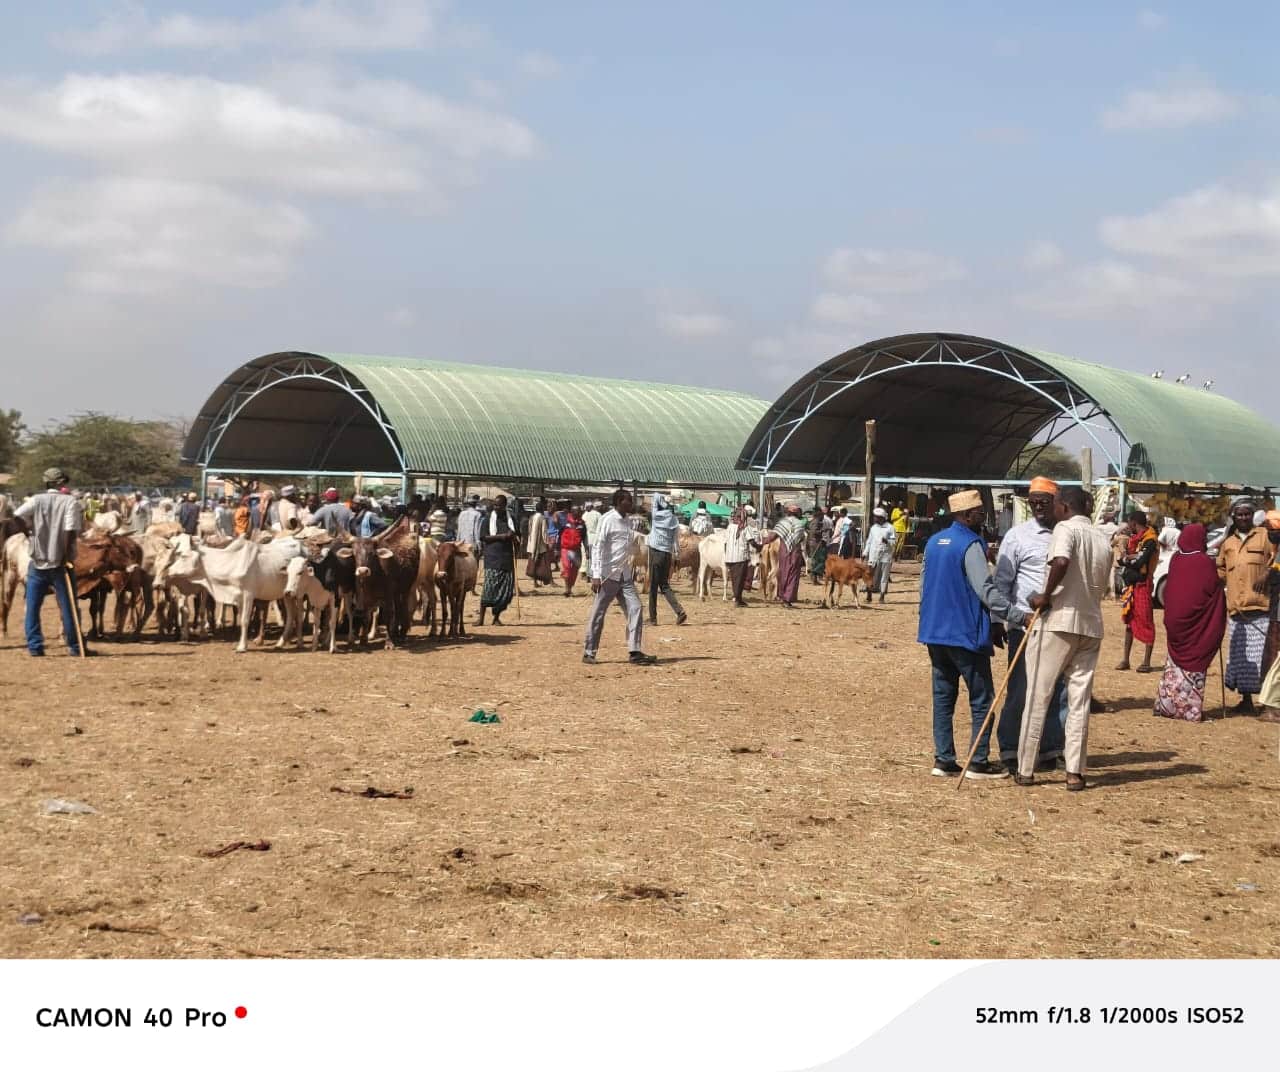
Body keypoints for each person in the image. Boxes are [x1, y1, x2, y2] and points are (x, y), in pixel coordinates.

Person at [1015, 486, 1114, 790]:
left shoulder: (1064, 529)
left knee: (1038, 696)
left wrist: (1044, 595)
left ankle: (1026, 768)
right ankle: (1075, 772)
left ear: (1064, 506)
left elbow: (1060, 561)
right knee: (1079, 702)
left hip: (1058, 621)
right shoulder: (1102, 538)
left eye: (1055, 503)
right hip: (1090, 624)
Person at [916, 490, 1007, 780]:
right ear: (967, 515)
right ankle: (978, 761)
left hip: (934, 633)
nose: (983, 517)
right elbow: (986, 590)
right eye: (980, 512)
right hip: (965, 634)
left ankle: (944, 759)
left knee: (943, 698)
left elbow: (923, 587)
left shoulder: (933, 543)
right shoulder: (970, 544)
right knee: (982, 699)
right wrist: (1015, 615)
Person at [989, 477, 1069, 772]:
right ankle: (1010, 748)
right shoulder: (1017, 536)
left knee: (1058, 690)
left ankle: (1051, 749)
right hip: (1024, 625)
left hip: (1060, 625)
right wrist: (998, 620)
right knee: (1021, 689)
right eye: (1033, 502)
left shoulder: (1067, 532)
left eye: (1043, 502)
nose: (1037, 507)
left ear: (1057, 503)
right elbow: (1002, 582)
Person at [1155, 523, 1228, 722]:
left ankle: (1167, 706)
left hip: (1175, 623)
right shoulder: (1204, 562)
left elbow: (1172, 591)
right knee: (1194, 664)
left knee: (1173, 667)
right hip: (1197, 627)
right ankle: (1189, 710)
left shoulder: (1175, 559)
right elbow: (1212, 591)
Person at [14, 467, 90, 657]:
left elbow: (16, 515)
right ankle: (74, 646)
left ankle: (35, 647)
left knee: (32, 606)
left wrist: (28, 531)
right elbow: (69, 531)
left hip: (38, 562)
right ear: (61, 483)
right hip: (60, 564)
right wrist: (64, 556)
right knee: (68, 606)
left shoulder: (36, 500)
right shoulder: (70, 502)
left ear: (46, 482)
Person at [584, 489, 656, 665]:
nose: (631, 503)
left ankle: (635, 651)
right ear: (618, 502)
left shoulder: (627, 521)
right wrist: (595, 574)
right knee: (598, 613)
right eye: (628, 501)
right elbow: (598, 547)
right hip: (607, 575)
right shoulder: (607, 520)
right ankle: (589, 652)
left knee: (636, 608)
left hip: (624, 575)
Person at [1217, 499, 1274, 715]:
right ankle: (1246, 701)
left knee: (1262, 657)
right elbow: (1220, 570)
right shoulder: (1228, 543)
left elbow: (1277, 558)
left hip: (1259, 607)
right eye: (1239, 515)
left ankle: (1269, 703)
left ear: (1252, 516)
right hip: (1236, 608)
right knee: (1241, 659)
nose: (1243, 518)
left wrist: (1268, 573)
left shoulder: (1264, 536)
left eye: (1247, 515)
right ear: (1234, 517)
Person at [1117, 510, 1158, 672]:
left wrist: (1128, 558)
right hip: (1132, 585)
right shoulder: (1136, 540)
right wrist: (1129, 558)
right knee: (1129, 621)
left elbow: (1139, 561)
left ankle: (1146, 662)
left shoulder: (1150, 540)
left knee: (1146, 620)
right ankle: (1125, 660)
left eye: (1129, 523)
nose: (1128, 527)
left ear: (1134, 523)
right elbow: (1125, 559)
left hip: (1143, 585)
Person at [646, 492, 688, 624]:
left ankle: (652, 618)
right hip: (667, 555)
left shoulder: (656, 516)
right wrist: (676, 556)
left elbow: (656, 496)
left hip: (655, 552)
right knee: (664, 585)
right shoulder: (674, 519)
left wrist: (661, 498)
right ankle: (679, 611)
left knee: (653, 586)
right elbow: (675, 541)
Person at [476, 495, 518, 626]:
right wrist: (503, 536)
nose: (497, 507)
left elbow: (518, 536)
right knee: (489, 589)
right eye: (495, 505)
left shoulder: (511, 520)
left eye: (499, 505)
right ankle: (481, 618)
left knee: (505, 592)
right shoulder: (487, 519)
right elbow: (483, 537)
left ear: (505, 506)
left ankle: (496, 618)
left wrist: (514, 537)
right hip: (492, 558)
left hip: (507, 559)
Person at [770, 504, 807, 607]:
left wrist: (762, 543)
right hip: (795, 552)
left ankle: (782, 596)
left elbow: (773, 536)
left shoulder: (782, 522)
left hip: (784, 551)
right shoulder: (800, 524)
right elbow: (802, 538)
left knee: (783, 573)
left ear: (787, 513)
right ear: (796, 514)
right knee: (793, 575)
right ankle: (788, 599)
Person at [723, 505, 758, 607]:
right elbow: (751, 541)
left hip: (730, 557)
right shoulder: (745, 528)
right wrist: (759, 547)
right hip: (740, 557)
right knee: (740, 579)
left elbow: (725, 542)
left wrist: (726, 555)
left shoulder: (729, 527)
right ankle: (737, 599)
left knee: (735, 579)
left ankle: (737, 597)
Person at [864, 507, 897, 603]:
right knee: (870, 575)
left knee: (884, 576)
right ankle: (869, 595)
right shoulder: (873, 528)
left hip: (886, 555)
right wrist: (865, 552)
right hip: (873, 555)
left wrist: (887, 541)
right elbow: (869, 542)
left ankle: (882, 595)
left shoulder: (890, 528)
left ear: (882, 518)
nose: (875, 519)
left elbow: (894, 542)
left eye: (876, 517)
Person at [559, 505, 588, 597]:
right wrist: (556, 549)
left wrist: (587, 549)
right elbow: (559, 535)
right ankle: (567, 588)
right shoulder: (565, 522)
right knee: (566, 568)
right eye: (577, 511)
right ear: (572, 512)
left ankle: (570, 588)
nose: (579, 513)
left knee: (574, 571)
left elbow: (584, 538)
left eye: (580, 511)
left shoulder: (582, 524)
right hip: (565, 549)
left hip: (576, 550)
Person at [526, 497, 552, 586]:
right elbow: (544, 532)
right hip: (540, 546)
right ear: (542, 509)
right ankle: (544, 580)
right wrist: (547, 543)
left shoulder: (531, 517)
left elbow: (529, 531)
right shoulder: (542, 518)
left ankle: (535, 582)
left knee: (533, 563)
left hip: (531, 544)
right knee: (541, 565)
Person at [806, 507, 828, 584]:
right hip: (816, 543)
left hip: (812, 542)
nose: (823, 517)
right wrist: (823, 530)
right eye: (822, 515)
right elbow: (814, 532)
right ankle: (813, 573)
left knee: (815, 560)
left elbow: (809, 531)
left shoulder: (812, 521)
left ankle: (814, 578)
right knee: (820, 560)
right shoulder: (817, 522)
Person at [582, 499, 603, 572]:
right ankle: (592, 573)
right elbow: (601, 527)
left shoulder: (586, 514)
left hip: (587, 538)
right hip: (595, 538)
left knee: (588, 556)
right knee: (595, 557)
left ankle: (587, 572)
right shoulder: (598, 514)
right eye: (600, 507)